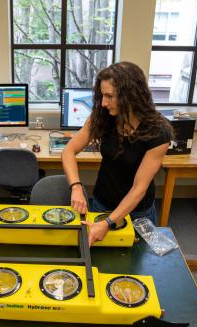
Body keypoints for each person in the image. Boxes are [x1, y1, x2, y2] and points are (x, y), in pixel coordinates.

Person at [62, 61, 173, 246]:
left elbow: (139, 187)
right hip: (102, 203)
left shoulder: (159, 131)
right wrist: (76, 187)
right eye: (102, 95)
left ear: (131, 95)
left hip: (137, 213)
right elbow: (68, 151)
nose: (104, 103)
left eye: (109, 96)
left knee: (136, 267)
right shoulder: (103, 117)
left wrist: (109, 222)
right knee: (99, 260)